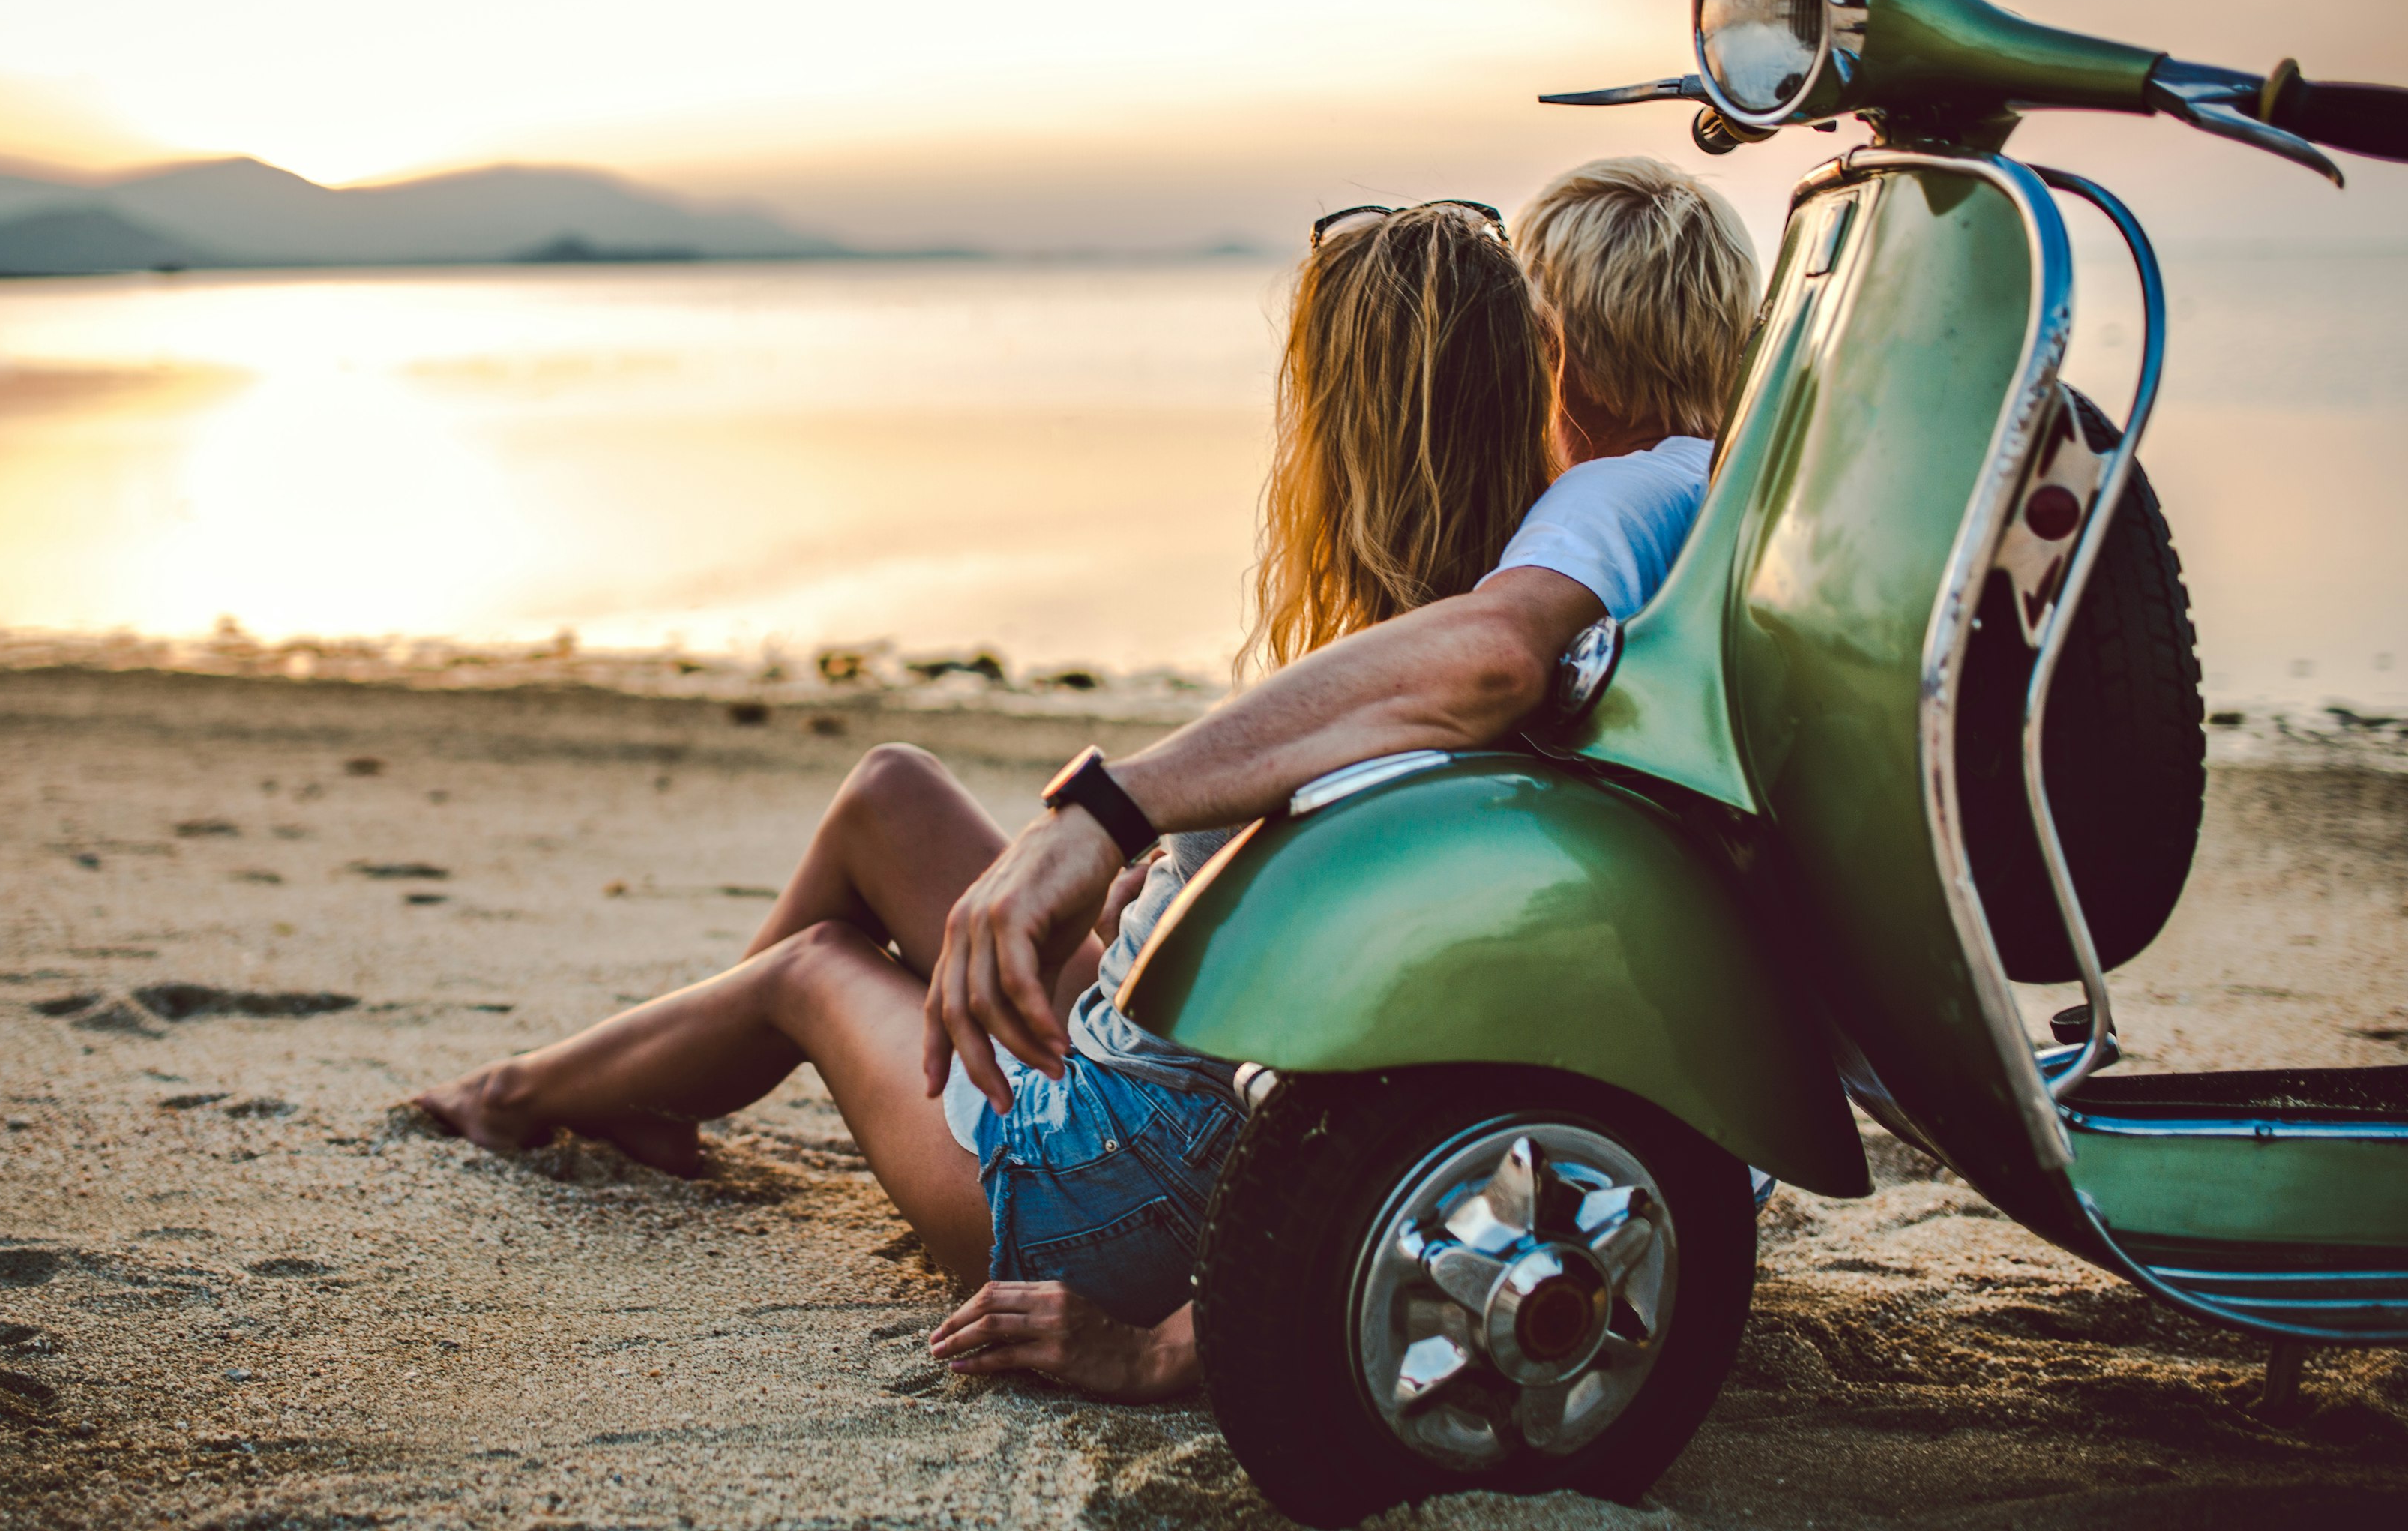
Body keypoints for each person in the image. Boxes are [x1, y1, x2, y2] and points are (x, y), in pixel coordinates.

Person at [408, 196, 1553, 1360]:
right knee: (890, 792)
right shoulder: (1453, 641)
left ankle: (525, 1095)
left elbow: (1412, 1099)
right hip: (1136, 1045)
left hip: (1104, 1193)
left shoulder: (1438, 687)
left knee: (813, 972)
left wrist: (1163, 1348)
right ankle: (657, 1090)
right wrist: (1155, 906)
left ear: (1340, 430)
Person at [919, 155, 1758, 1394]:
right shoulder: (1716, 512)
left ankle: (546, 1099)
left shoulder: (1616, 500)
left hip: (1565, 1147)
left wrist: (1119, 802)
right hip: (1681, 1123)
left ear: (1559, 353)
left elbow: (1486, 658)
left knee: (837, 948)